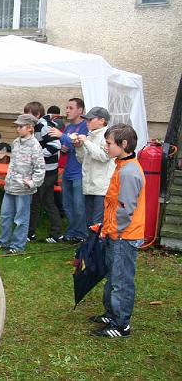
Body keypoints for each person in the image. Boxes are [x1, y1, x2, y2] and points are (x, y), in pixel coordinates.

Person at [90, 124, 145, 338]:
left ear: (123, 144)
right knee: (113, 276)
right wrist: (105, 225)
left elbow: (125, 209)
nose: (106, 146)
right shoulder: (121, 165)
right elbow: (113, 203)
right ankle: (111, 313)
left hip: (124, 236)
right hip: (115, 233)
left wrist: (110, 229)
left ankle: (121, 325)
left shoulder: (130, 172)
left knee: (121, 281)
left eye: (109, 143)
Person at [0, 114, 45, 254]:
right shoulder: (16, 142)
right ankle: (3, 241)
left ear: (30, 128)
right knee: (5, 215)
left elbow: (40, 168)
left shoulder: (35, 146)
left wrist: (32, 183)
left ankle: (18, 245)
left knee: (21, 218)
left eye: (21, 126)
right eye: (17, 126)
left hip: (23, 189)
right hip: (10, 186)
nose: (18, 129)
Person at [49, 98, 89, 242]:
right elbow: (68, 145)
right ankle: (72, 232)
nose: (67, 110)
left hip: (80, 173)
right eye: (66, 107)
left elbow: (81, 144)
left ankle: (82, 234)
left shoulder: (85, 126)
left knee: (79, 206)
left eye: (71, 108)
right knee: (67, 205)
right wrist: (64, 147)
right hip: (68, 171)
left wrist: (62, 136)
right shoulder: (69, 126)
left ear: (80, 110)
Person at [23, 102, 62, 243]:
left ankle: (30, 233)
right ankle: (56, 232)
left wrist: (38, 155)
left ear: (37, 114)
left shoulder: (43, 127)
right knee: (48, 202)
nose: (26, 117)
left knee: (34, 202)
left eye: (28, 114)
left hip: (47, 171)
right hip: (46, 170)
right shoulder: (35, 126)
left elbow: (56, 145)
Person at [73, 107, 115, 238]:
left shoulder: (108, 136)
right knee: (89, 223)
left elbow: (103, 156)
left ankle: (97, 250)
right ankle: (90, 249)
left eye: (90, 119)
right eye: (86, 119)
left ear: (102, 120)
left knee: (98, 224)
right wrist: (79, 146)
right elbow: (81, 159)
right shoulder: (90, 136)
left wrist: (86, 142)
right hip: (89, 186)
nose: (87, 122)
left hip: (101, 188)